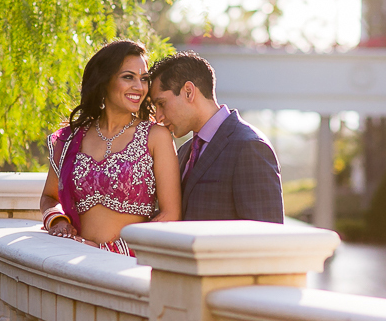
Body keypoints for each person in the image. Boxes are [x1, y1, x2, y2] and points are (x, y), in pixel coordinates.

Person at [40, 40, 181, 255]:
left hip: (126, 268)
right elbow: (49, 197)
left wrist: (105, 250)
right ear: (104, 80)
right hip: (73, 260)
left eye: (144, 79)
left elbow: (170, 217)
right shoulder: (72, 139)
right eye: (128, 77)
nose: (139, 87)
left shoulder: (156, 136)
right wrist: (58, 221)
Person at [148, 51, 284, 224]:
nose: (158, 117)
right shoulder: (183, 152)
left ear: (188, 92)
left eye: (161, 104)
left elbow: (267, 237)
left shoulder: (249, 147)